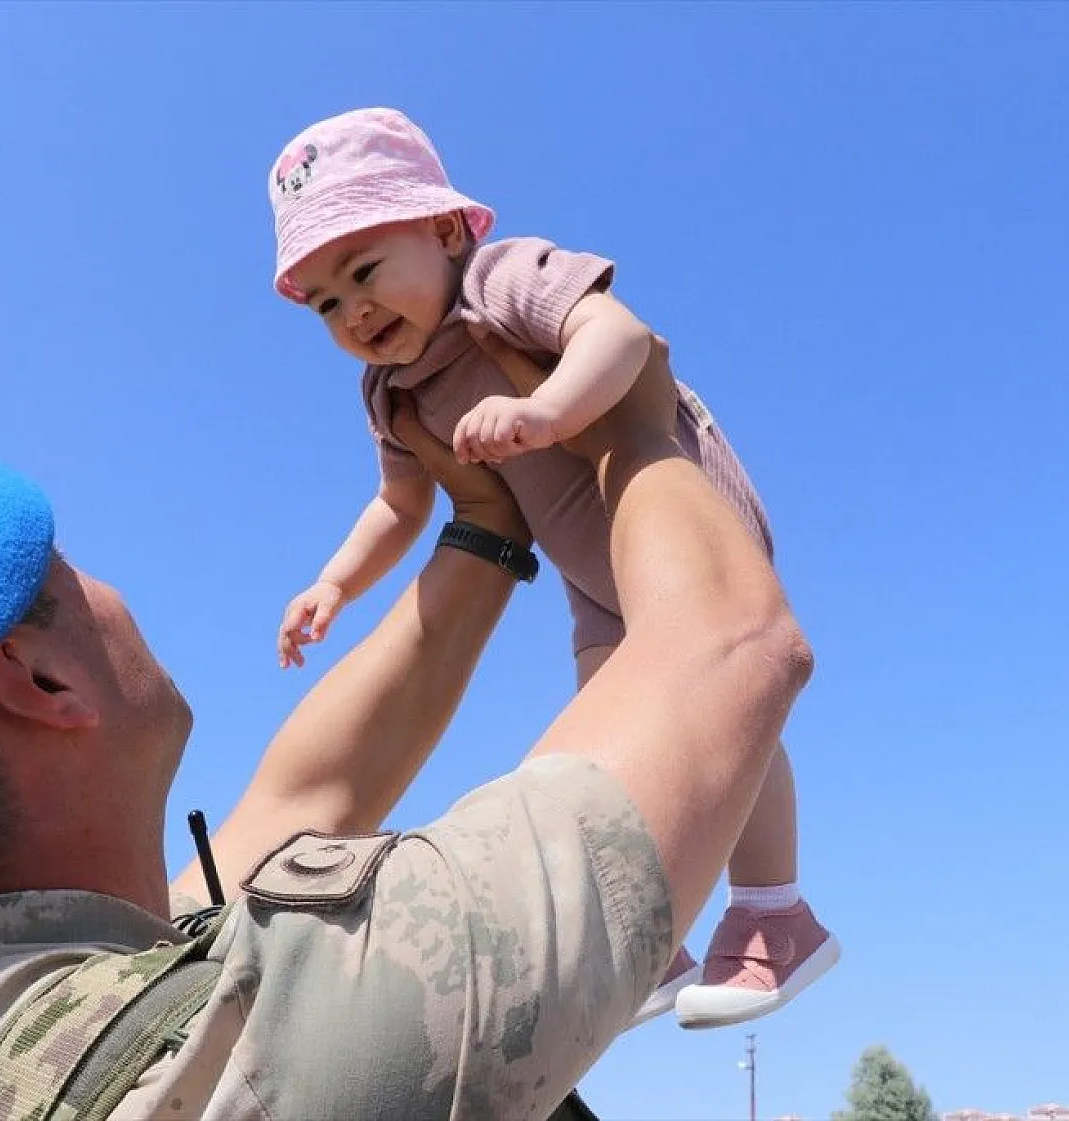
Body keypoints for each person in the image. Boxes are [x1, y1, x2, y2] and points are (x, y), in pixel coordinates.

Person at [0, 334, 814, 1120]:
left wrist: (477, 527)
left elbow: (306, 800)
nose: (111, 588)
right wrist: (624, 416)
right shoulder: (260, 1049)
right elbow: (729, 647)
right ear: (35, 676)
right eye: (67, 573)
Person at [269, 106, 839, 1028]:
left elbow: (618, 334)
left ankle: (777, 913)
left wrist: (550, 413)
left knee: (727, 691)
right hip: (592, 572)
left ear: (446, 230)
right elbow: (398, 505)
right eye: (327, 302)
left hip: (671, 494)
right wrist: (334, 582)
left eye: (366, 270)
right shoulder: (390, 392)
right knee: (605, 732)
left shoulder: (498, 279)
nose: (354, 309)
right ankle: (653, 938)